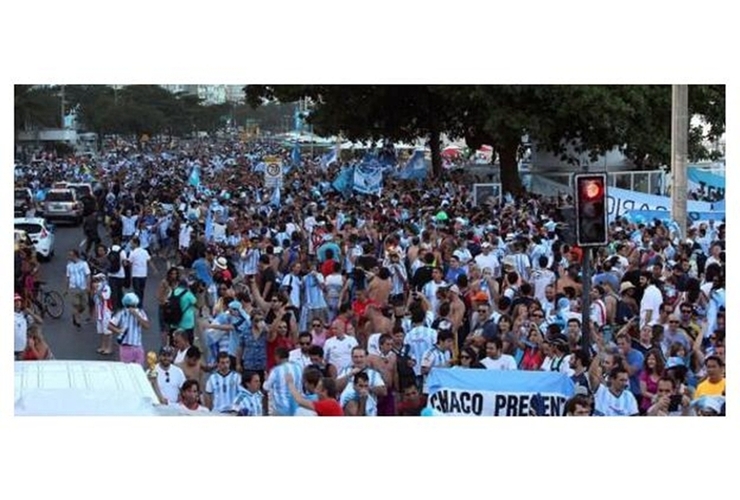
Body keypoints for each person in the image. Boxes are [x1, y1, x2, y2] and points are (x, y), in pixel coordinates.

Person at [108, 292, 150, 366]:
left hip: (138, 346)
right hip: (126, 346)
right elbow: (110, 325)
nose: (131, 308)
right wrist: (118, 331)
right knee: (126, 369)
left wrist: (136, 315)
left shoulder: (141, 312)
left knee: (139, 369)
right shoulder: (121, 313)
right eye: (129, 306)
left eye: (133, 306)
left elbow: (147, 326)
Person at [262, 347, 304, 416]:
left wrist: (266, 379)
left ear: (277, 356)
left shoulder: (275, 371)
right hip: (297, 407)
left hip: (281, 409)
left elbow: (266, 388)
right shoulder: (298, 367)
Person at [65, 249, 91, 329]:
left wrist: (88, 286)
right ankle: (77, 320)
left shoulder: (84, 264)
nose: (69, 257)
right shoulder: (69, 266)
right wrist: (66, 288)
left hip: (82, 287)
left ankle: (76, 314)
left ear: (75, 255)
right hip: (73, 288)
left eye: (70, 255)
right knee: (75, 305)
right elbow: (67, 277)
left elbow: (88, 275)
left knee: (84, 305)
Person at [92, 273, 114, 355]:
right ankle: (103, 346)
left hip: (106, 312)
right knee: (101, 331)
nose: (96, 282)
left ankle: (109, 348)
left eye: (98, 280)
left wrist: (98, 291)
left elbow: (105, 297)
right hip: (99, 313)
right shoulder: (96, 289)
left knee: (107, 331)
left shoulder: (106, 288)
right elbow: (95, 302)